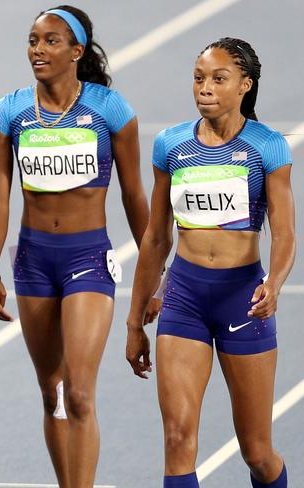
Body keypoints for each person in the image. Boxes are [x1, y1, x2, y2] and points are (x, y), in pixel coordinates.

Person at [0, 5, 151, 487]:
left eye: (51, 41)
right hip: (33, 263)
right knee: (51, 392)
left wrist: (156, 272)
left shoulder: (109, 110)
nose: (38, 49)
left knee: (79, 392)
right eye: (33, 40)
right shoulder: (9, 112)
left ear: (76, 51)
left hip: (88, 259)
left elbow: (134, 196)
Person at [126, 38, 294, 488]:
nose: (205, 87)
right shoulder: (171, 145)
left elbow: (285, 232)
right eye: (199, 78)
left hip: (243, 300)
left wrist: (274, 283)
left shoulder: (267, 147)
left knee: (256, 452)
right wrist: (133, 320)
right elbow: (156, 236)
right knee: (178, 437)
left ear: (245, 85)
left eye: (219, 79)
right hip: (185, 298)